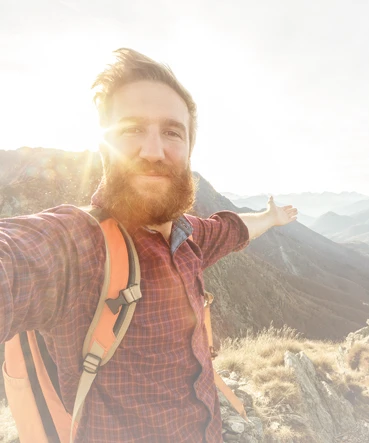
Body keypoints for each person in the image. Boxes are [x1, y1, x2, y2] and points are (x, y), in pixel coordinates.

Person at [0, 48, 298, 442]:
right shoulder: (74, 244)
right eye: (131, 129)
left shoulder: (189, 237)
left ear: (190, 148)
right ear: (104, 145)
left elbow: (231, 228)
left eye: (172, 132)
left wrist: (271, 217)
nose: (153, 151)